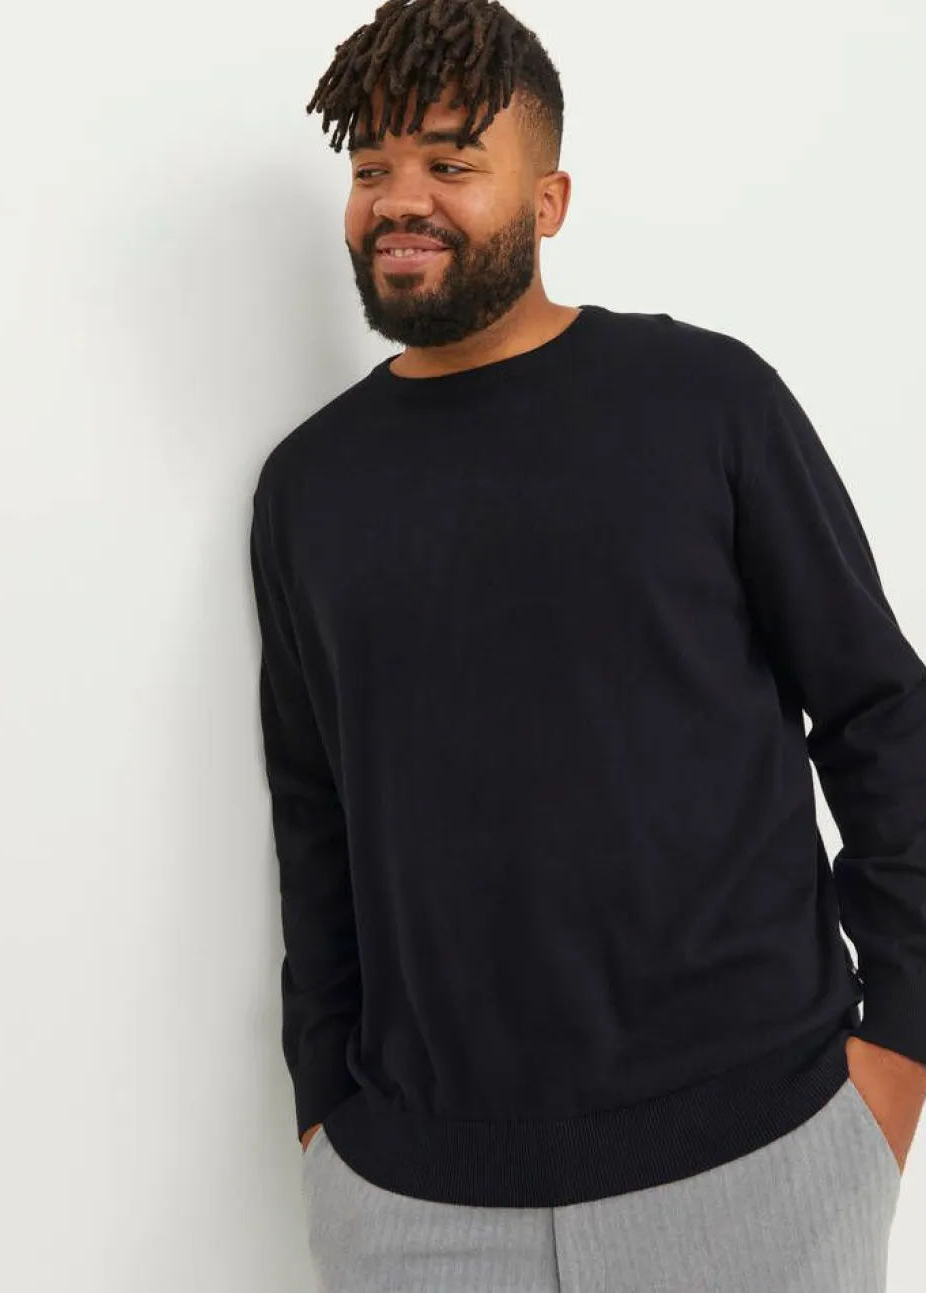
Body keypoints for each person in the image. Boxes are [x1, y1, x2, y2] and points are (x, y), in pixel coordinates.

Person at [249, 1, 926, 1288]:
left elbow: (880, 714)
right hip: (412, 1206)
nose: (401, 200)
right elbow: (315, 814)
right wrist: (326, 1114)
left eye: (450, 163)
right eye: (372, 167)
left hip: (759, 1168)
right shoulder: (307, 487)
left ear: (548, 201)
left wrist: (897, 1048)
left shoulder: (706, 401)